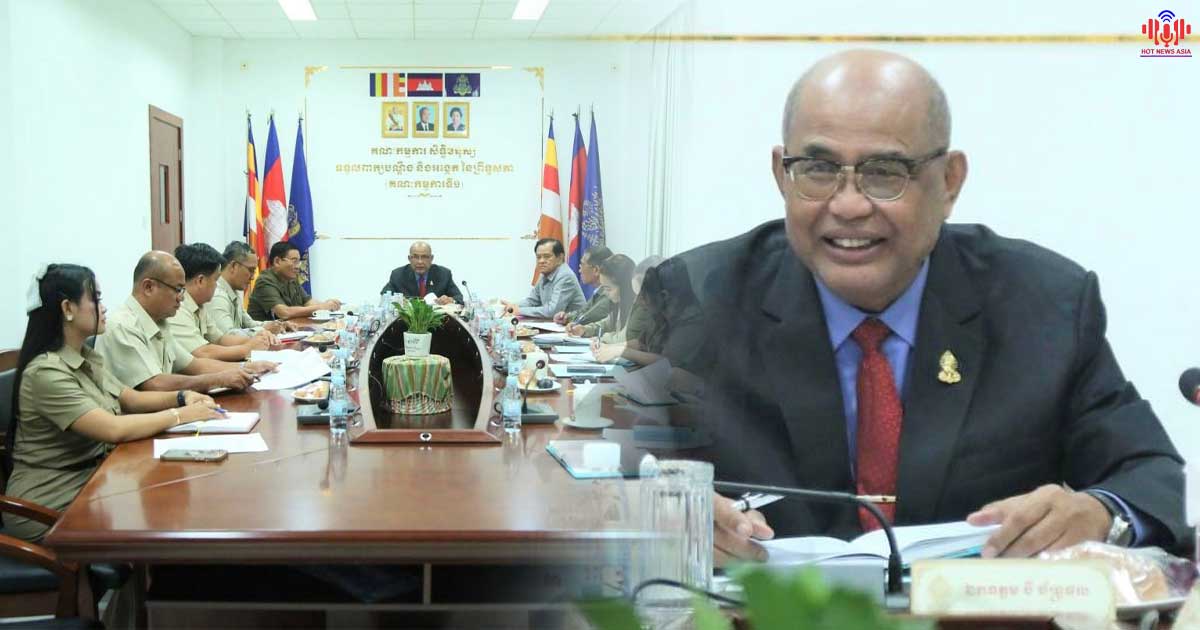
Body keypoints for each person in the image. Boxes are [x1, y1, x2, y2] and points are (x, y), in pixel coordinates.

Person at [658, 50, 1186, 563]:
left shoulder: (1046, 306)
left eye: (885, 172)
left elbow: (1155, 479)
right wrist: (656, 507)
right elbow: (617, 474)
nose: (848, 205)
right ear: (781, 174)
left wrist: (1101, 514)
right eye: (818, 169)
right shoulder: (691, 300)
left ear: (950, 182)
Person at [4, 264, 223, 541]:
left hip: (94, 479)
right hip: (51, 501)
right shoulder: (45, 372)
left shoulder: (85, 356)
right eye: (96, 299)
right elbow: (112, 429)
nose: (104, 307)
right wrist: (182, 415)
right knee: (165, 514)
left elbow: (130, 398)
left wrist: (182, 397)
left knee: (174, 500)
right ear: (67, 308)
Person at [95, 251, 275, 392]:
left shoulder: (159, 321)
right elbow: (154, 384)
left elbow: (193, 365)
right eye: (178, 289)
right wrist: (217, 379)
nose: (182, 298)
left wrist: (247, 367)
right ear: (148, 287)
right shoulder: (122, 325)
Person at [167, 243, 274, 361]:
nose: (216, 285)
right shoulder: (178, 308)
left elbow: (220, 339)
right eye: (216, 280)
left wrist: (256, 340)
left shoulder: (199, 306)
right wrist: (247, 349)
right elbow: (202, 352)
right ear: (201, 281)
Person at [207, 241, 294, 338]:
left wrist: (278, 324)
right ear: (234, 266)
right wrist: (264, 330)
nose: (253, 277)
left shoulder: (232, 291)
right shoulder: (217, 295)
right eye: (251, 270)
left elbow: (250, 324)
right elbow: (228, 336)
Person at [247, 241, 341, 321]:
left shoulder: (291, 278)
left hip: (288, 330)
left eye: (299, 261)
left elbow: (308, 302)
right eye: (294, 261)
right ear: (277, 261)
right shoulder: (265, 281)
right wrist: (321, 307)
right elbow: (284, 313)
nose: (298, 266)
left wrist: (327, 305)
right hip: (262, 333)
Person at [502, 238, 585, 319]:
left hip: (575, 325)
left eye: (547, 256)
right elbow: (532, 301)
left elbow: (553, 311)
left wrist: (519, 311)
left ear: (560, 258)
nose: (541, 261)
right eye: (538, 257)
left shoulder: (565, 276)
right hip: (556, 324)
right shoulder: (545, 273)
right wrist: (512, 306)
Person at [567, 254, 634, 344]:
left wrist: (601, 338)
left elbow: (622, 339)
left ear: (625, 286)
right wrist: (585, 329)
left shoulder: (638, 307)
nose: (605, 293)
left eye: (608, 288)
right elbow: (607, 324)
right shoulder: (619, 303)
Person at [380, 241, 463, 305]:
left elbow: (459, 298)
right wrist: (397, 300)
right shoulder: (398, 275)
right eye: (415, 257)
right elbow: (385, 294)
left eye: (424, 257)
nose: (420, 262)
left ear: (431, 258)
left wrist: (450, 300)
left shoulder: (443, 274)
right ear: (409, 258)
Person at [553, 246, 614, 326]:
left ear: (596, 270)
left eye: (582, 265)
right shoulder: (598, 291)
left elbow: (587, 318)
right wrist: (567, 317)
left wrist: (570, 319)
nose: (579, 270)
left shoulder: (609, 293)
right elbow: (584, 311)